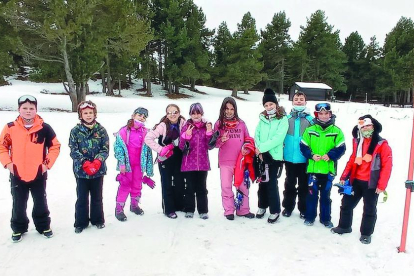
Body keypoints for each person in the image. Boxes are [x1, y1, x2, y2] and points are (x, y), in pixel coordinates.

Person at [0, 95, 61, 242]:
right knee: (18, 202)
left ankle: (43, 225)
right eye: (25, 108)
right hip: (17, 172)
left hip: (38, 172)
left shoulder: (44, 128)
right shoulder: (11, 127)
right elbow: (2, 146)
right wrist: (8, 163)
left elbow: (55, 146)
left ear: (36, 110)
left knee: (40, 200)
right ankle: (18, 228)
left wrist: (46, 164)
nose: (28, 111)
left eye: (31, 108)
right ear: (19, 109)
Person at [331, 115, 392, 244]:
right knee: (346, 204)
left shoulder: (382, 145)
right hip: (355, 181)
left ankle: (366, 233)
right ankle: (344, 226)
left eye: (368, 126)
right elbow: (352, 159)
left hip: (371, 184)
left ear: (373, 127)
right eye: (363, 127)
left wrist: (382, 185)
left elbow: (387, 166)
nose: (366, 129)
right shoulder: (357, 142)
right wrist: (344, 176)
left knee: (369, 209)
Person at [300, 102, 345, 228]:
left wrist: (330, 155)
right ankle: (310, 217)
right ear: (317, 115)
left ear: (330, 114)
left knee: (325, 196)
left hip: (328, 170)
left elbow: (341, 148)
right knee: (311, 194)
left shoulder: (336, 131)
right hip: (313, 169)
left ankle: (326, 219)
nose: (324, 116)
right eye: (321, 113)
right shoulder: (310, 130)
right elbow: (303, 146)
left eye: (326, 113)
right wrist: (311, 155)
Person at [69, 100, 109, 233]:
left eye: (90, 113)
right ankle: (81, 222)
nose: (88, 115)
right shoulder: (75, 131)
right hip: (81, 171)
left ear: (95, 114)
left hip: (98, 171)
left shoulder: (101, 130)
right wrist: (84, 162)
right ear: (80, 115)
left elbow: (105, 148)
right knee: (82, 197)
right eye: (85, 113)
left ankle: (98, 219)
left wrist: (98, 161)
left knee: (97, 196)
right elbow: (73, 149)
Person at [212, 97, 255, 220]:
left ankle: (243, 210)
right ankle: (229, 210)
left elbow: (248, 139)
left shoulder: (241, 123)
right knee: (226, 186)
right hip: (225, 161)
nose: (229, 111)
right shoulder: (219, 124)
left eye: (232, 109)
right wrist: (221, 140)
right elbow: (214, 143)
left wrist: (247, 148)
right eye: (227, 109)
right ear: (223, 109)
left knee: (243, 186)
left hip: (240, 160)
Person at [145, 104, 186, 219]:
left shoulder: (183, 123)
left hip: (179, 156)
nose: (173, 115)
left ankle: (180, 204)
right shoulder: (162, 126)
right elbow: (148, 138)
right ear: (166, 114)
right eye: (170, 112)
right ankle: (169, 209)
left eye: (175, 112)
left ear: (179, 112)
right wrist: (161, 149)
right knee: (167, 182)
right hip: (165, 158)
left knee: (179, 181)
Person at [254, 88, 289, 223]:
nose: (269, 107)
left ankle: (274, 210)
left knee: (272, 183)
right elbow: (256, 134)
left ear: (276, 104)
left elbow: (278, 138)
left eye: (271, 104)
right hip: (261, 156)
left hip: (274, 157)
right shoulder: (262, 119)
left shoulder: (282, 119)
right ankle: (262, 205)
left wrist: (262, 149)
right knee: (262, 182)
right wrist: (259, 150)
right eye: (266, 105)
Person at [113, 107, 154, 222]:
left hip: (139, 165)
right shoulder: (124, 131)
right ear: (133, 115)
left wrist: (148, 166)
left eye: (144, 117)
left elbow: (148, 149)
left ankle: (134, 205)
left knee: (137, 184)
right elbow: (118, 148)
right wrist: (122, 163)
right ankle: (119, 209)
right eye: (139, 115)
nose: (141, 118)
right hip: (127, 165)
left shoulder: (145, 132)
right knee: (125, 185)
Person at [282, 92, 313, 219]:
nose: (299, 101)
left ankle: (303, 208)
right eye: (296, 99)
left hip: (304, 159)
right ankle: (288, 207)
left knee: (304, 185)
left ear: (305, 102)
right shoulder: (286, 119)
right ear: (292, 102)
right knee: (289, 184)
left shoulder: (311, 120)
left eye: (301, 99)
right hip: (289, 158)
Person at [179, 103, 212, 219]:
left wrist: (209, 133)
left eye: (198, 113)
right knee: (189, 188)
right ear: (190, 115)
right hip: (189, 164)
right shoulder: (186, 126)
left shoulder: (206, 126)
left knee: (202, 188)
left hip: (202, 164)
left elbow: (210, 146)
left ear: (202, 114)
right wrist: (186, 136)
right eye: (193, 113)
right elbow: (181, 146)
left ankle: (203, 210)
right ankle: (189, 209)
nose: (196, 115)